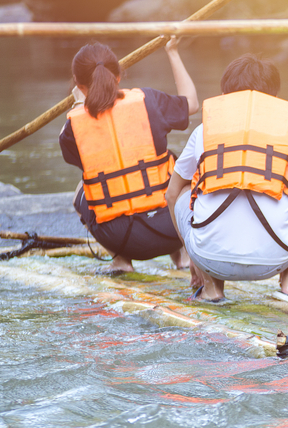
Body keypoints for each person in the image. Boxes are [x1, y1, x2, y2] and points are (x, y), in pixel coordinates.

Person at [164, 54, 288, 303]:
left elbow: (171, 194)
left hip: (209, 258)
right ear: (274, 98)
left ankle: (211, 287)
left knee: (184, 190)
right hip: (277, 258)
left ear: (225, 95)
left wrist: (194, 257)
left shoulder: (203, 131)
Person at [59, 39, 197, 275]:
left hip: (120, 239)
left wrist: (80, 106)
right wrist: (173, 52)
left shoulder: (73, 128)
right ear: (118, 76)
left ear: (78, 85)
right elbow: (192, 103)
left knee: (83, 189)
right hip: (172, 230)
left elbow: (79, 158)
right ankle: (183, 255)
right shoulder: (149, 100)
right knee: (174, 166)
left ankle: (121, 261)